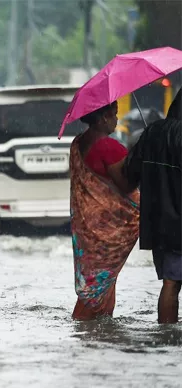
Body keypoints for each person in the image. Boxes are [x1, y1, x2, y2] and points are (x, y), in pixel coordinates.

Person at [69, 101, 140, 320]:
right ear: (102, 119)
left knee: (97, 280)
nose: (117, 119)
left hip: (88, 227)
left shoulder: (78, 143)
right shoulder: (108, 146)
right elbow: (126, 185)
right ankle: (89, 326)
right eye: (114, 114)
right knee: (101, 282)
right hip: (110, 228)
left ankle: (93, 329)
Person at [123, 88, 182, 324]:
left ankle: (165, 337)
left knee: (171, 282)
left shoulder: (152, 133)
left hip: (160, 226)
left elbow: (129, 174)